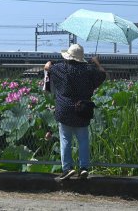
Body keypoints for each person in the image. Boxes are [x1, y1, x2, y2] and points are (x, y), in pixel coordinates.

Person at [44, 43, 106, 180]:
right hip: (83, 109)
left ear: (68, 56)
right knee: (83, 140)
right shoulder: (89, 70)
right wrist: (95, 62)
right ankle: (84, 168)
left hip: (64, 108)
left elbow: (47, 67)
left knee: (65, 139)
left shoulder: (61, 68)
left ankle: (67, 168)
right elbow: (102, 74)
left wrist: (51, 62)